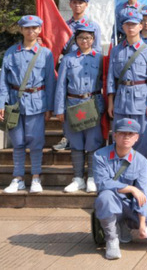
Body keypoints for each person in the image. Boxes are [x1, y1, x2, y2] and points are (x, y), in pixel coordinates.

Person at [0, 15, 55, 193]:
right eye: (27, 28)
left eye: (34, 28)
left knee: (36, 142)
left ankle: (36, 177)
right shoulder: (11, 52)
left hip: (37, 103)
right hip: (14, 104)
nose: (31, 31)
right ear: (21, 30)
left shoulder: (46, 54)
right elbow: (3, 81)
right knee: (18, 142)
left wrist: (49, 107)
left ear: (39, 30)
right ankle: (18, 178)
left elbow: (50, 82)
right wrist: (0, 103)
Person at [93, 118, 147, 260]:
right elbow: (102, 183)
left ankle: (124, 224)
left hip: (129, 204)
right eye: (122, 133)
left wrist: (142, 224)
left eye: (131, 134)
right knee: (105, 196)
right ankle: (112, 239)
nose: (126, 137)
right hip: (111, 202)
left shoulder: (141, 161)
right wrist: (130, 188)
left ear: (136, 138)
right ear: (115, 135)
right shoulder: (100, 155)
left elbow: (142, 193)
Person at [54, 24, 104, 193]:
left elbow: (106, 82)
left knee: (93, 141)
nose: (85, 41)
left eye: (88, 38)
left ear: (93, 39)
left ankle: (91, 177)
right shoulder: (68, 59)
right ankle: (77, 178)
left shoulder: (100, 58)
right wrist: (59, 109)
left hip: (93, 103)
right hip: (73, 104)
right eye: (81, 38)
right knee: (76, 142)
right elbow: (61, 85)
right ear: (76, 40)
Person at [107, 11, 147, 161]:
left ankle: (142, 174)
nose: (131, 27)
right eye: (127, 24)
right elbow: (111, 78)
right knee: (120, 138)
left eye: (134, 24)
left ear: (141, 26)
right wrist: (110, 102)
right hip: (121, 100)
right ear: (123, 27)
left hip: (141, 101)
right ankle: (121, 173)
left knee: (143, 140)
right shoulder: (116, 51)